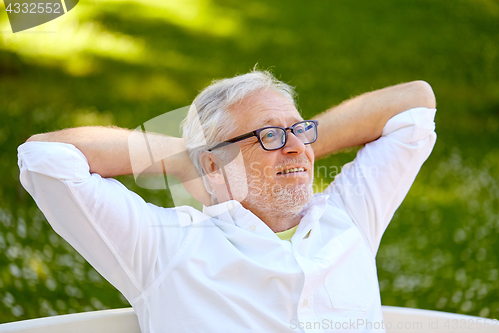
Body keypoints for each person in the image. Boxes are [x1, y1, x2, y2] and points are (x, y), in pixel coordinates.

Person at [18, 70, 436, 332]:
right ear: (213, 164)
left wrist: (292, 145)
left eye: (302, 130)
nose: (297, 147)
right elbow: (46, 160)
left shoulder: (348, 217)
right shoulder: (167, 247)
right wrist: (188, 161)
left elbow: (415, 104)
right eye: (267, 135)